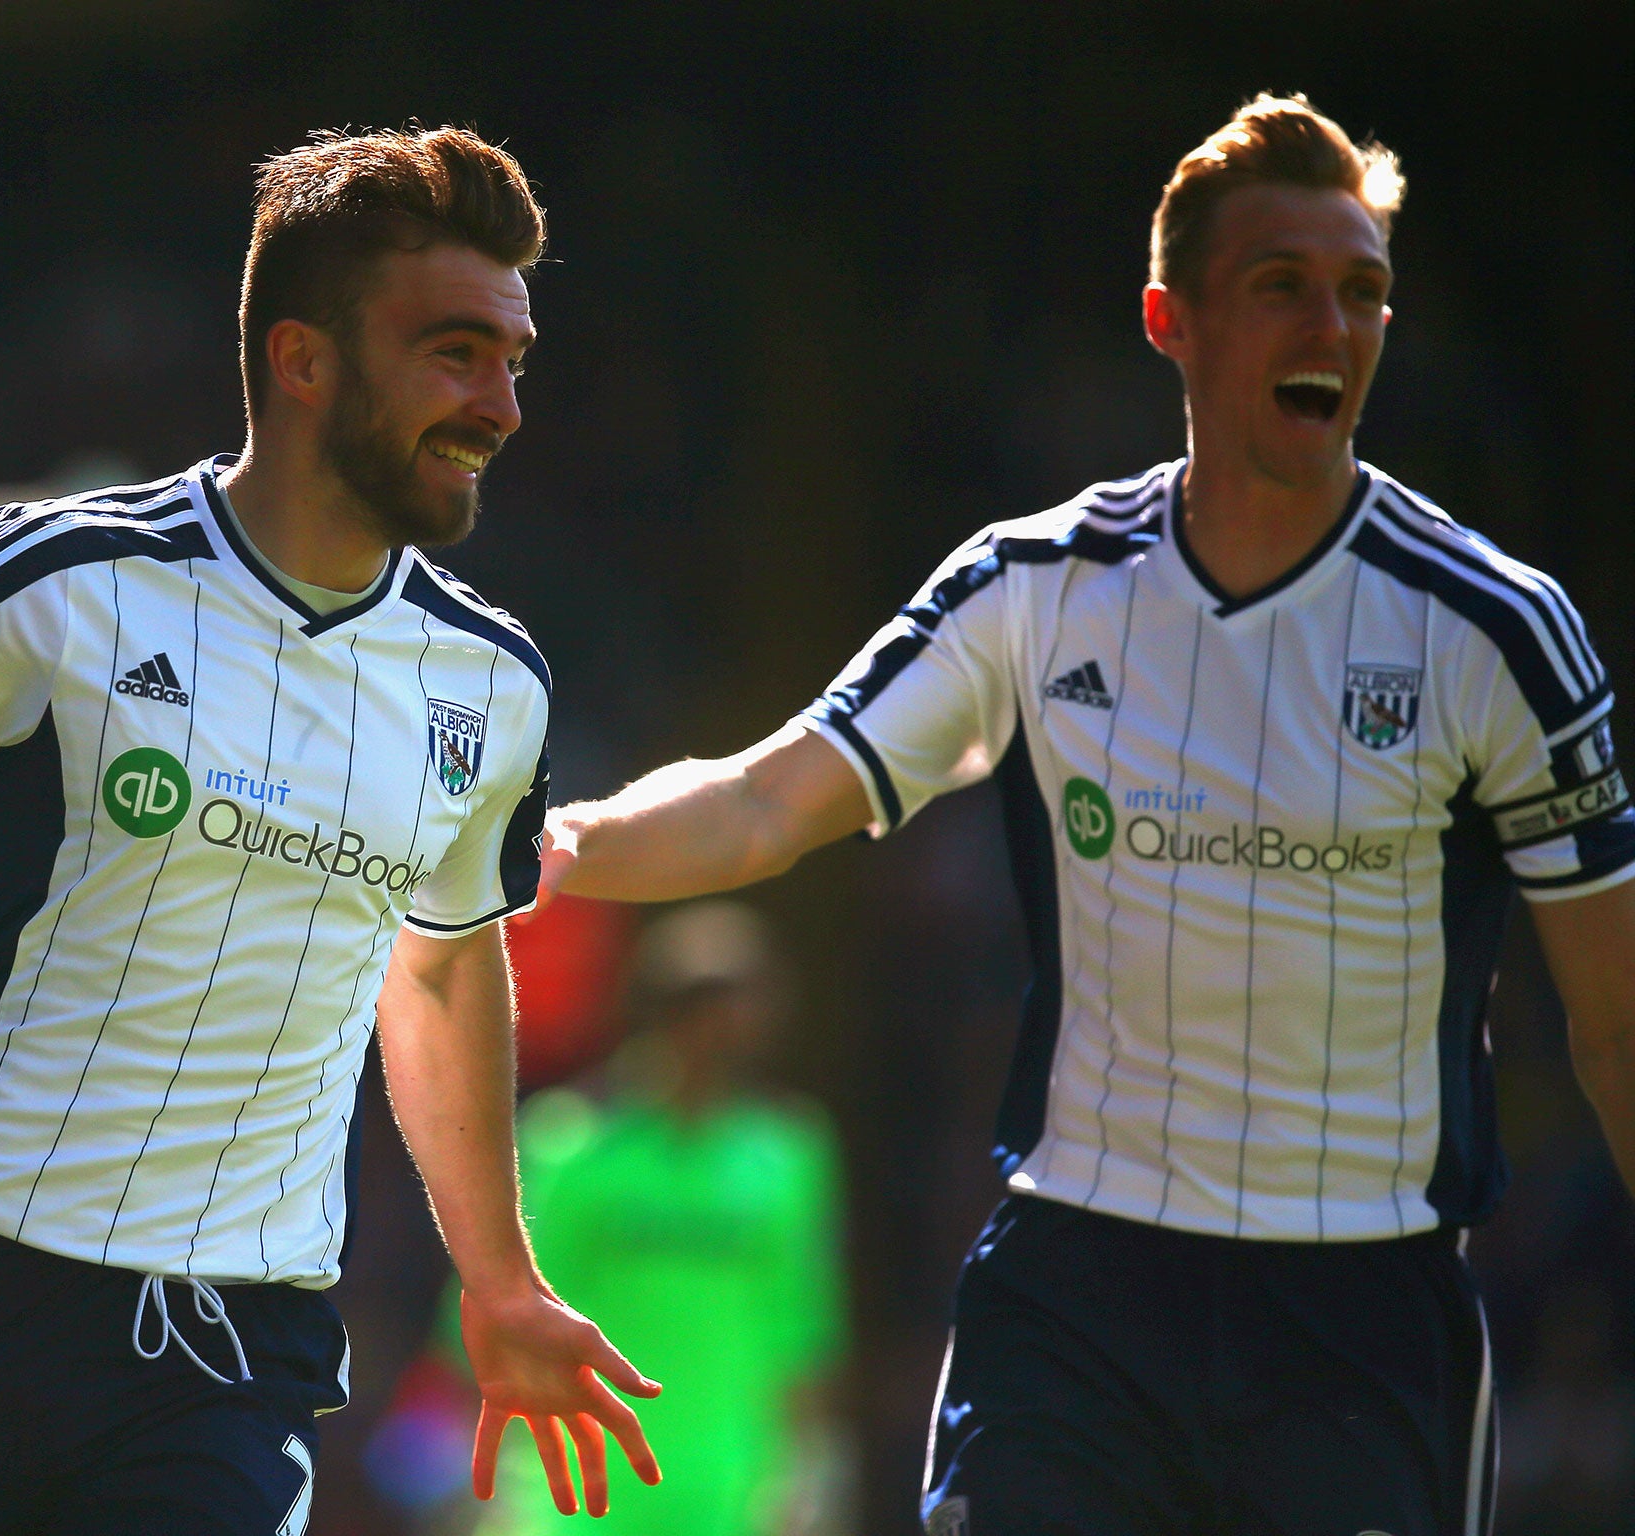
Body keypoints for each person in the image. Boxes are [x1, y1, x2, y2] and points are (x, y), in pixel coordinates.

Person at [536, 94, 1635, 1535]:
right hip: (1081, 1291)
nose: (1335, 326)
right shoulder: (1035, 587)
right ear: (1170, 319)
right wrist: (547, 845)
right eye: (1282, 287)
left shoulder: (1495, 630)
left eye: (1365, 291)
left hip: (1362, 1308)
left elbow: (1616, 1020)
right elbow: (761, 802)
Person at [0, 125, 659, 1534]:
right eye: (456, 352)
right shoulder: (61, 582)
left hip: (223, 1359)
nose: (502, 406)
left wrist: (503, 1280)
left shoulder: (492, 684)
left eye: (512, 360)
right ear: (303, 360)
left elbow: (448, 964)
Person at [474, 900, 848, 1536]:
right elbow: (499, 1325)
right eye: (702, 1013)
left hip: (733, 1495)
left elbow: (802, 1334)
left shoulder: (791, 1156)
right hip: (571, 1497)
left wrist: (812, 1483)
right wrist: (462, 1486)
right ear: (660, 1016)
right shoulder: (568, 1147)